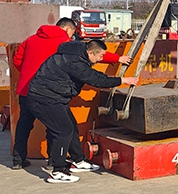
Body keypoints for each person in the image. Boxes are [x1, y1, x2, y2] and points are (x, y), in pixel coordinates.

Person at [11, 18, 132, 169]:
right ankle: (53, 161)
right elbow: (91, 53)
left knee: (24, 124)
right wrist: (118, 58)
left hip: (26, 89)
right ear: (68, 30)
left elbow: (17, 60)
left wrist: (28, 74)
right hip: (50, 90)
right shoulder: (65, 43)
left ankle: (18, 159)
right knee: (58, 127)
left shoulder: (30, 39)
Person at [26, 40, 139, 184]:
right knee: (63, 130)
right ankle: (58, 171)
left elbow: (93, 69)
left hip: (55, 97)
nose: (101, 59)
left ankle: (78, 161)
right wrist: (123, 80)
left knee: (71, 126)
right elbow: (95, 79)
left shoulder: (78, 52)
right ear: (90, 53)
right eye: (100, 56)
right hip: (43, 98)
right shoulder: (74, 62)